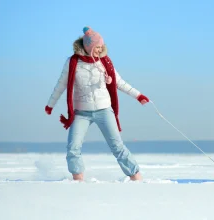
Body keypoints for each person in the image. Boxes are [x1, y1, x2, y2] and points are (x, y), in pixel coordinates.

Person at [45, 27, 149, 181]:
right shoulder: (73, 62)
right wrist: (50, 104)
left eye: (101, 47)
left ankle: (136, 177)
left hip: (104, 110)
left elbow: (119, 82)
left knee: (117, 147)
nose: (99, 50)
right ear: (88, 46)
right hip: (81, 112)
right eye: (97, 47)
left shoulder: (104, 61)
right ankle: (78, 181)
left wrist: (138, 96)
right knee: (73, 147)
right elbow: (61, 84)